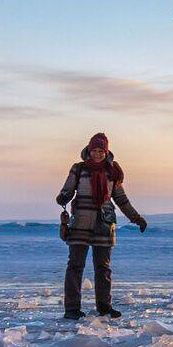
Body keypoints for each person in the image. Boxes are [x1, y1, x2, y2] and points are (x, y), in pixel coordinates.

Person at [56, 132, 147, 319]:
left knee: (103, 268)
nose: (97, 154)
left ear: (106, 152)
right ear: (89, 151)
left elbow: (121, 200)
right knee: (75, 266)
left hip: (104, 224)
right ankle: (72, 309)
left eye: (101, 151)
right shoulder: (78, 169)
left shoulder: (112, 172)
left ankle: (104, 308)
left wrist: (136, 218)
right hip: (80, 222)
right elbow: (67, 189)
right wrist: (63, 197)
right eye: (94, 150)